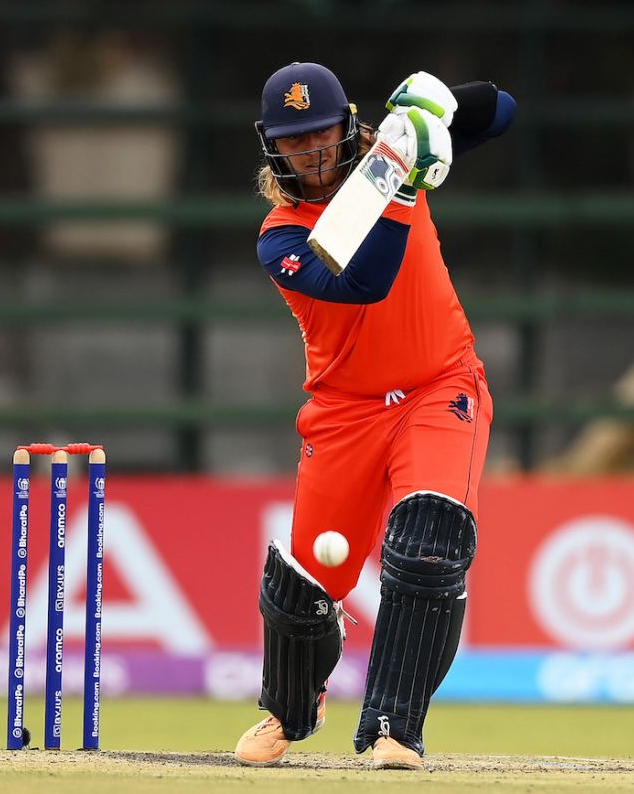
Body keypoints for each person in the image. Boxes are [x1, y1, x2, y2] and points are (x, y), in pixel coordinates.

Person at [233, 62, 516, 770]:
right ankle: (289, 710)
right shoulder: (280, 236)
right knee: (301, 591)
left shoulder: (392, 156)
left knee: (427, 541)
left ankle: (395, 724)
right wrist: (403, 179)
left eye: (323, 135)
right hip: (343, 412)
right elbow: (362, 279)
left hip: (438, 387)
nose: (313, 154)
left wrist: (432, 112)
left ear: (346, 127)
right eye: (295, 143)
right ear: (274, 148)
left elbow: (504, 110)